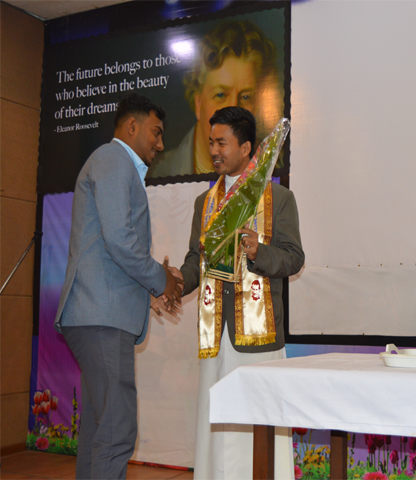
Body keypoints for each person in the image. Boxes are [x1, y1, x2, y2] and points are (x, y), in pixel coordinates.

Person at [54, 92, 184, 480]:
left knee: (101, 427)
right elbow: (120, 241)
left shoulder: (111, 163)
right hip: (102, 317)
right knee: (117, 430)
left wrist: (152, 292)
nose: (160, 144)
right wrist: (161, 280)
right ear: (131, 126)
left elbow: (108, 248)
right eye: (156, 132)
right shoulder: (113, 159)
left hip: (98, 314)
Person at [172, 106, 304, 478]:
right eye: (211, 142)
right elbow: (196, 259)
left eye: (222, 143)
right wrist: (177, 283)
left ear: (246, 148)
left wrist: (259, 252)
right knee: (217, 422)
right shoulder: (204, 203)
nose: (213, 150)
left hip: (259, 336)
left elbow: (294, 258)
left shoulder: (278, 198)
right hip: (215, 333)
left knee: (258, 421)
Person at [147, 20, 281, 178]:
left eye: (246, 97)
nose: (233, 111)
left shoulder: (274, 165)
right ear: (198, 103)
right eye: (221, 95)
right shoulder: (158, 172)